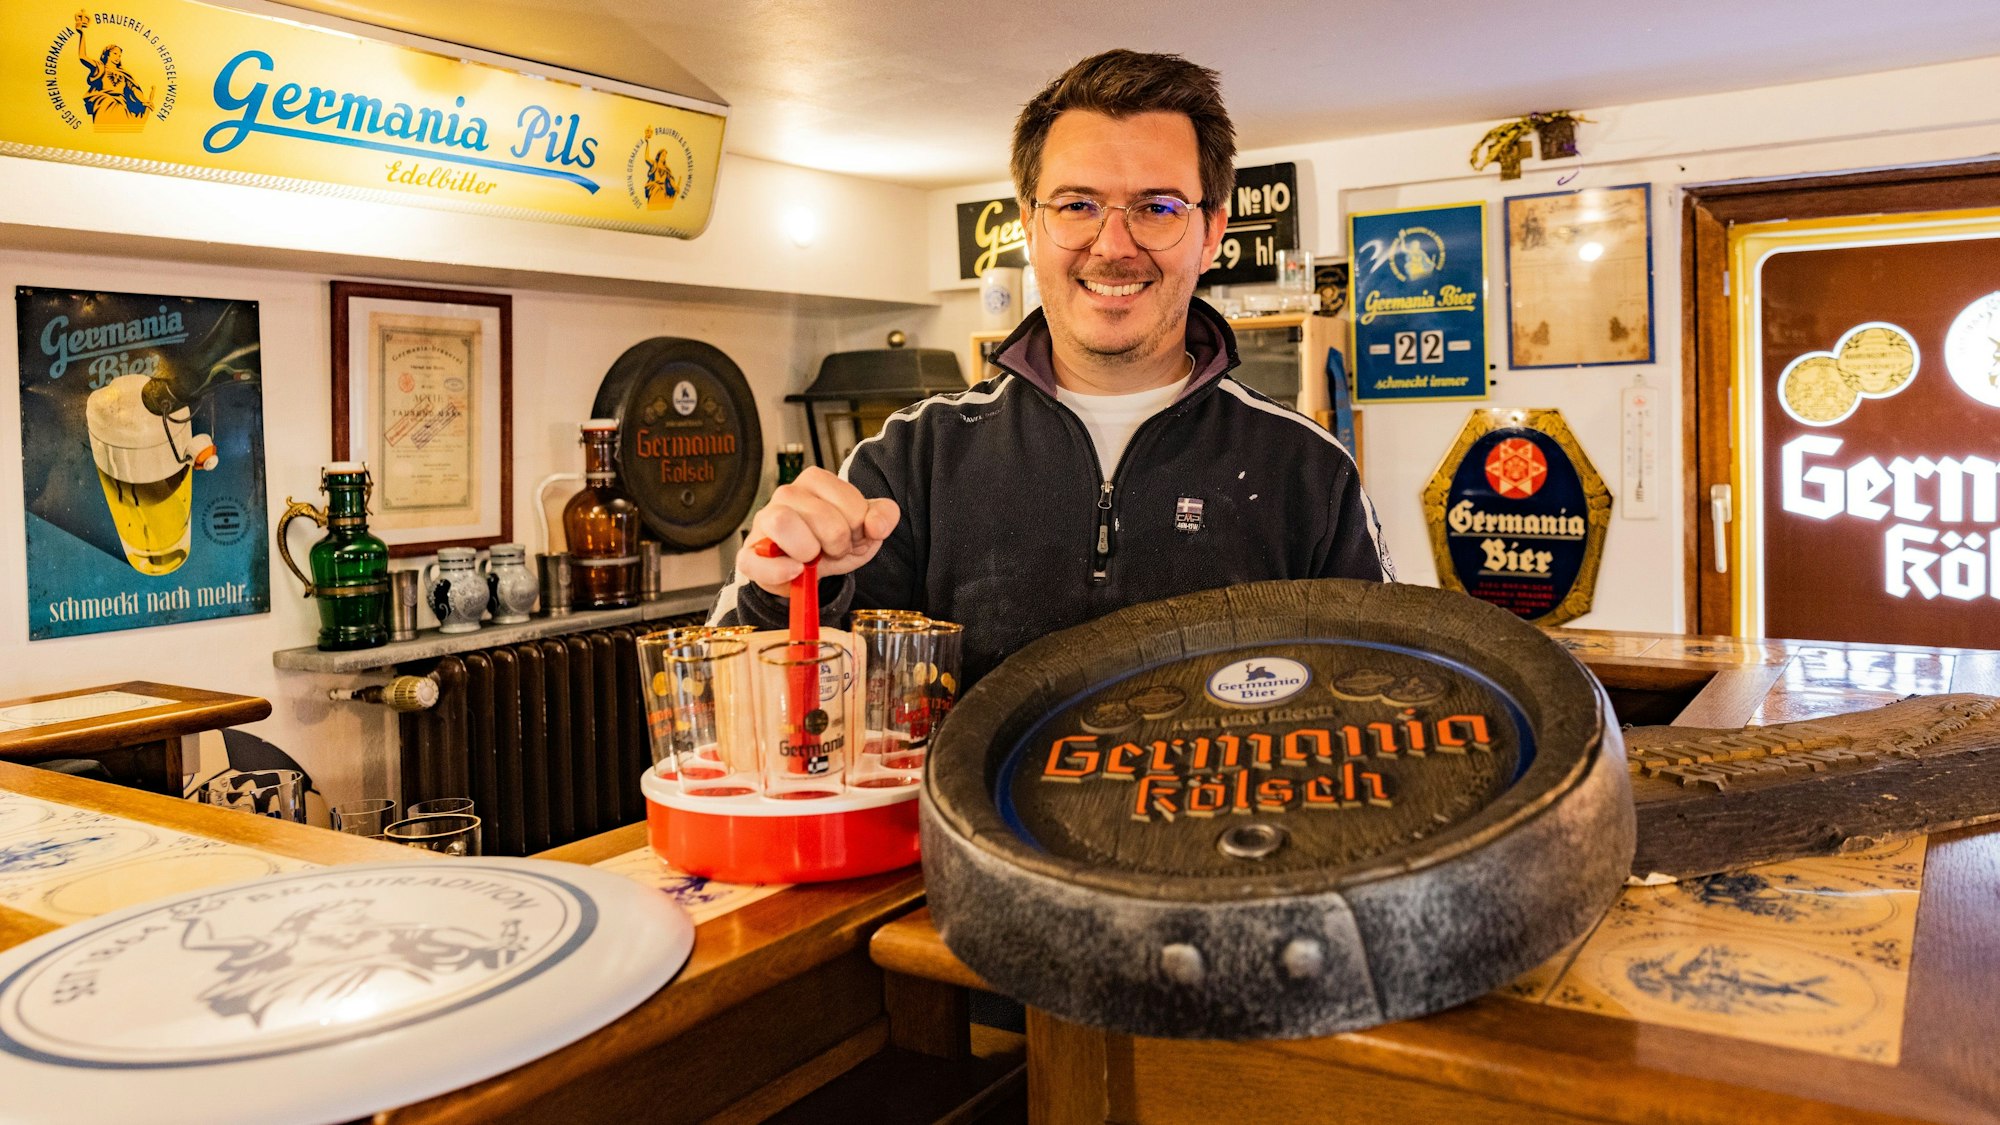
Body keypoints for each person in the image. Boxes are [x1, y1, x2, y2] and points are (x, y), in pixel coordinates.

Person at [710, 49, 1391, 686]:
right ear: (1031, 227)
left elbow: (1383, 703)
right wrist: (782, 594)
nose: (1113, 245)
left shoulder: (1308, 473)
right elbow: (738, 704)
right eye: (1077, 205)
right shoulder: (911, 460)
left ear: (1212, 231)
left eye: (1157, 208)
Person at [72, 12, 153, 128]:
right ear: (107, 54)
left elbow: (134, 88)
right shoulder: (100, 67)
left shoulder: (123, 73)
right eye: (115, 53)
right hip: (104, 102)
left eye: (119, 55)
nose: (117, 57)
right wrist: (81, 34)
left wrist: (143, 100)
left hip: (122, 104)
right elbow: (82, 57)